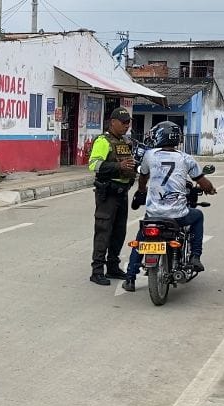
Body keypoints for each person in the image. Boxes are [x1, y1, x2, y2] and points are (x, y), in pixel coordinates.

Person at [122, 121, 216, 292]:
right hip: (177, 215)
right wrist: (210, 189)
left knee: (141, 237)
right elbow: (202, 181)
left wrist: (142, 191)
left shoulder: (149, 155)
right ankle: (195, 256)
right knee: (198, 216)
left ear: (159, 136)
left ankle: (130, 278)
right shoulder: (186, 158)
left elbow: (143, 177)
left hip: (154, 214)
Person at [88, 107, 137, 286]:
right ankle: (97, 270)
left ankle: (113, 267)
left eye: (128, 123)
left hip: (122, 192)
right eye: (123, 123)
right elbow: (94, 165)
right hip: (107, 193)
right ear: (112, 122)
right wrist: (118, 167)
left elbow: (129, 164)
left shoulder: (125, 141)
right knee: (103, 231)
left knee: (119, 233)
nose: (126, 126)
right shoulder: (103, 141)